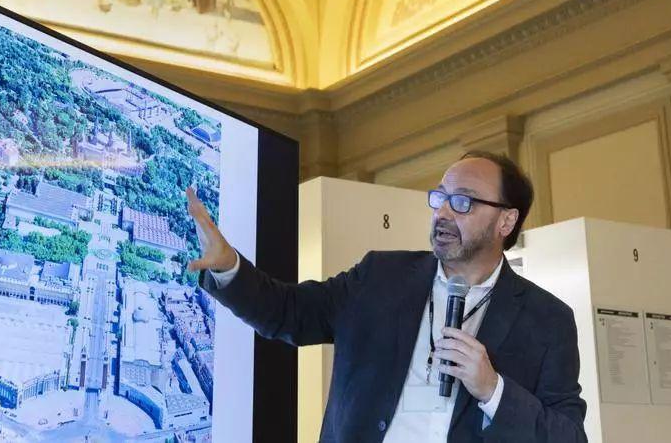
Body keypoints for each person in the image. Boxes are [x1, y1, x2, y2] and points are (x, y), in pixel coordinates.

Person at [186, 151, 588, 442]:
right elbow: (290, 312)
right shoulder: (380, 276)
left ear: (506, 220)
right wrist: (228, 267)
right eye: (440, 197)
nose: (443, 212)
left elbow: (568, 436)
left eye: (462, 201)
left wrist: (492, 390)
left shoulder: (548, 320)